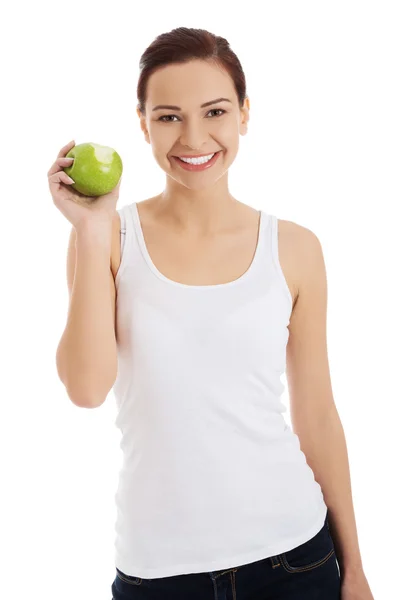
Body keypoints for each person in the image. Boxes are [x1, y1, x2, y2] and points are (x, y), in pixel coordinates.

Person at [50, 26, 373, 600]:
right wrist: (94, 231)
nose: (193, 136)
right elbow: (86, 387)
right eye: (169, 116)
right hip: (158, 575)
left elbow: (318, 415)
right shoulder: (106, 240)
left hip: (294, 559)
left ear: (245, 114)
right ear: (143, 122)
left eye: (215, 111)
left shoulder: (296, 248)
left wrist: (356, 568)